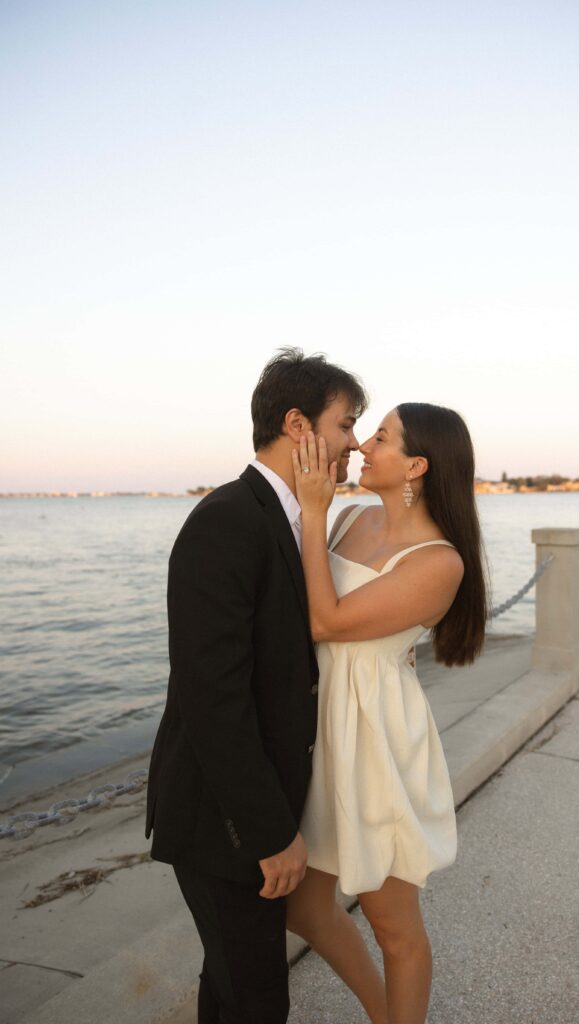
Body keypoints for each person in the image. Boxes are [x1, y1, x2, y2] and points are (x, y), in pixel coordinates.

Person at [145, 348, 367, 1024]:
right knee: (258, 999)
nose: (354, 441)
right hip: (225, 821)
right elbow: (212, 698)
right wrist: (270, 834)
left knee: (234, 986)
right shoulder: (227, 521)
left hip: (261, 806)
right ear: (298, 425)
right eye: (346, 423)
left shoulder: (298, 521)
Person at [286, 402, 487, 1024]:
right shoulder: (349, 516)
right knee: (304, 905)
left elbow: (327, 622)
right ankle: (383, 1012)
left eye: (381, 438)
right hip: (319, 725)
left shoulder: (439, 561)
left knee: (392, 924)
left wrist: (311, 510)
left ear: (417, 466)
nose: (362, 447)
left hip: (373, 738)